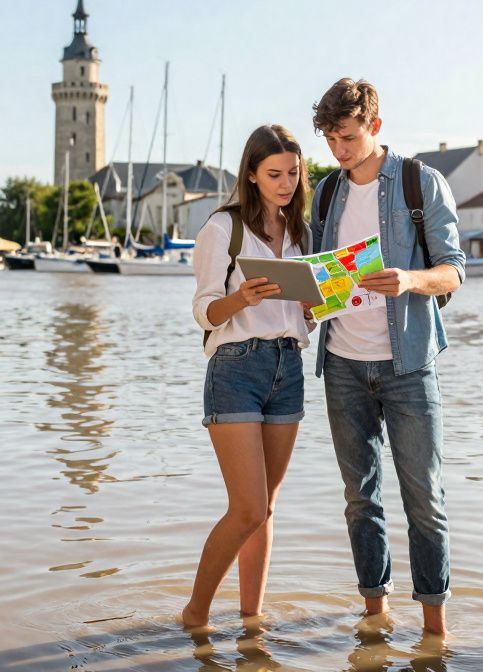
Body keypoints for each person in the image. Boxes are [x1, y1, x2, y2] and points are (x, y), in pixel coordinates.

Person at [308, 79, 465, 637]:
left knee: (424, 499)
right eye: (330, 139)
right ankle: (374, 623)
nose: (339, 150)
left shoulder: (422, 183)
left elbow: (454, 269)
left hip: (408, 367)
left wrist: (410, 280)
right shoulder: (325, 194)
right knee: (360, 501)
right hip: (343, 366)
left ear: (375, 125)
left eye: (347, 137)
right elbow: (316, 275)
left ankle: (435, 633)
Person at [183, 124, 314, 629]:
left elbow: (301, 319)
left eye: (293, 174)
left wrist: (311, 309)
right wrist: (243, 297)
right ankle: (195, 615)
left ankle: (251, 620)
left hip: (289, 367)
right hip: (236, 367)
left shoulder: (300, 234)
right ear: (253, 176)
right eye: (274, 174)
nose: (285, 183)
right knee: (246, 508)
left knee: (266, 508)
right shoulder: (223, 229)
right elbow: (204, 312)